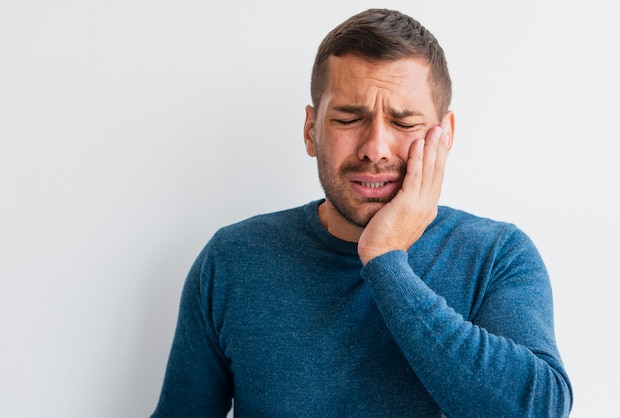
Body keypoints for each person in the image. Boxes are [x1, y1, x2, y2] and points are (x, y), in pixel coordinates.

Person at [151, 8, 573, 417]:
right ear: (309, 130)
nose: (375, 148)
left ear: (445, 136)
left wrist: (386, 261)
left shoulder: (496, 255)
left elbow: (537, 409)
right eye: (349, 118)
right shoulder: (232, 260)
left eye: (404, 123)